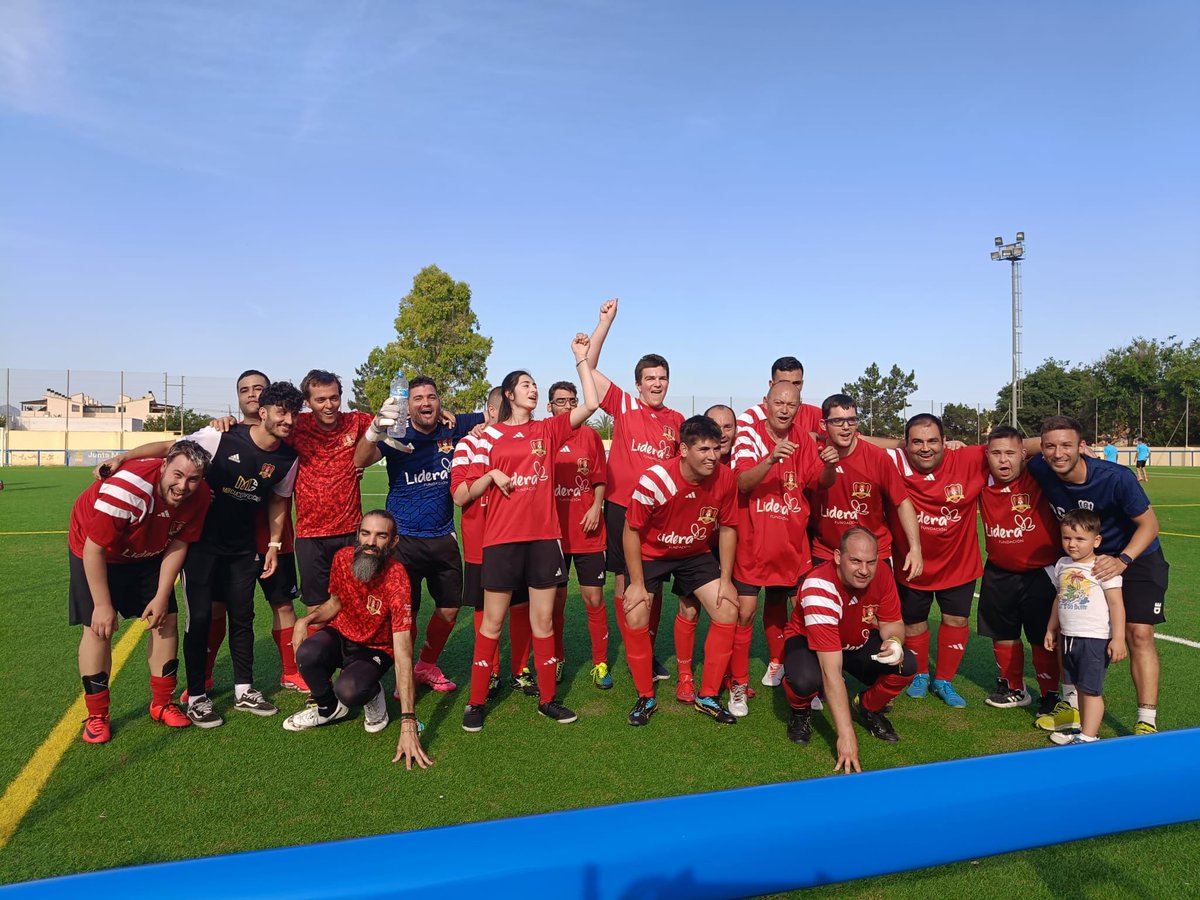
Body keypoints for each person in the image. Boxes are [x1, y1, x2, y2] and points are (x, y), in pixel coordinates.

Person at [102, 381, 302, 727]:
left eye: (293, 414)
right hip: (200, 546)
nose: (288, 420)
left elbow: (277, 501)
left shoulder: (288, 457)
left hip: (243, 549)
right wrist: (124, 456)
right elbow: (171, 448)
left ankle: (244, 690)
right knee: (200, 620)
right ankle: (196, 696)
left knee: (243, 617)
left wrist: (272, 545)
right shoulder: (222, 436)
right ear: (264, 412)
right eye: (282, 412)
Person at [460, 334, 600, 731]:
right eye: (526, 384)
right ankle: (475, 702)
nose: (534, 389)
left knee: (544, 623)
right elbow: (465, 491)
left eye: (535, 384)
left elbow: (590, 404)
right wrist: (488, 473)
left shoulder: (548, 429)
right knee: (492, 623)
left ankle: (548, 699)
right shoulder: (485, 436)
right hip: (501, 540)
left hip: (543, 539)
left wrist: (580, 359)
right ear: (509, 393)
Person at [1029, 416, 1167, 735]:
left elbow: (1150, 525)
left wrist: (1122, 560)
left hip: (1135, 555)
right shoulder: (1041, 467)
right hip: (1082, 557)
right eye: (1050, 446)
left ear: (1082, 447)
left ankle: (1146, 720)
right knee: (1069, 621)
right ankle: (1070, 707)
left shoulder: (1116, 477)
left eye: (1067, 445)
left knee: (1138, 633)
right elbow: (1020, 447)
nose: (1057, 453)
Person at [71, 442, 213, 743]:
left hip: (148, 549)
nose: (183, 485)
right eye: (177, 475)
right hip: (97, 551)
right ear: (163, 466)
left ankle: (162, 703)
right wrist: (102, 604)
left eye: (193, 479)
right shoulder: (128, 489)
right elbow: (94, 549)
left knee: (166, 619)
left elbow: (180, 543)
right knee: (99, 628)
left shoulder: (200, 495)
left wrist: (162, 595)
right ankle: (97, 715)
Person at [355, 376, 485, 694]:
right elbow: (359, 460)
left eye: (432, 397)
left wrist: (480, 424)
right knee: (406, 613)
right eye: (417, 398)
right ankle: (403, 673)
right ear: (407, 405)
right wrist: (374, 429)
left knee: (450, 608)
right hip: (404, 540)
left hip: (443, 536)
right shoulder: (397, 433)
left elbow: (497, 411)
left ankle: (425, 665)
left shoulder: (452, 427)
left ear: (440, 401)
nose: (425, 403)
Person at [190, 369, 307, 702]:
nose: (252, 394)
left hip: (274, 540)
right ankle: (206, 676)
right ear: (240, 398)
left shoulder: (289, 439)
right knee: (216, 608)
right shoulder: (223, 432)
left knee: (282, 603)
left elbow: (281, 496)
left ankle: (291, 672)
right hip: (224, 540)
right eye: (245, 390)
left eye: (259, 388)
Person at [283, 511, 431, 769]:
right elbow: (335, 603)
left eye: (381, 535)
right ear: (358, 535)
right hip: (342, 633)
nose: (371, 542)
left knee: (350, 691)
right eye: (366, 533)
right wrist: (304, 621)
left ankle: (373, 692)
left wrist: (408, 722)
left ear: (393, 542)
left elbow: (403, 653)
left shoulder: (397, 579)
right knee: (307, 653)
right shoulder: (342, 559)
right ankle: (329, 709)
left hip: (375, 648)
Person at [586, 298, 684, 681]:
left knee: (653, 583)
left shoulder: (677, 421)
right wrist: (604, 323)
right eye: (650, 379)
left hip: (660, 514)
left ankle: (646, 648)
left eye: (662, 378)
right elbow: (589, 368)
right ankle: (632, 649)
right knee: (626, 580)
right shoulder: (624, 406)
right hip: (622, 508)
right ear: (638, 384)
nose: (657, 384)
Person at [727, 381, 837, 716]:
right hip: (752, 543)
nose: (785, 409)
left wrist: (831, 464)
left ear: (798, 407)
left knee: (795, 613)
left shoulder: (805, 438)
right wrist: (771, 459)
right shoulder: (749, 435)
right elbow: (742, 483)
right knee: (744, 613)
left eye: (792, 404)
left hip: (791, 544)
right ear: (766, 402)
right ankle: (738, 685)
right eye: (779, 402)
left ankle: (789, 671)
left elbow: (821, 483)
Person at [623, 416, 739, 726]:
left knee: (727, 608)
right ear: (683, 449)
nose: (712, 456)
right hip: (651, 553)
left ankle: (708, 696)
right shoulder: (656, 480)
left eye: (716, 448)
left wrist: (725, 580)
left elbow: (728, 528)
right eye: (703, 449)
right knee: (636, 612)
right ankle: (646, 696)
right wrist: (635, 583)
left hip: (694, 553)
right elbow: (631, 530)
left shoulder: (725, 478)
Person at [781, 528, 917, 771]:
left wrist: (894, 641)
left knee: (906, 664)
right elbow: (831, 672)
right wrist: (846, 735)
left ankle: (867, 706)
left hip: (854, 641)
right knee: (805, 681)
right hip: (808, 643)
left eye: (870, 562)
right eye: (855, 561)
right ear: (836, 557)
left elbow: (892, 622)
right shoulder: (819, 586)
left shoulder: (882, 572)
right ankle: (800, 712)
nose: (864, 570)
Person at [884, 414, 987, 708]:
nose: (925, 448)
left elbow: (1013, 445)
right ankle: (921, 674)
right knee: (914, 622)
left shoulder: (965, 458)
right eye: (917, 441)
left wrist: (1067, 444)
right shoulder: (896, 462)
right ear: (905, 444)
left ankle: (944, 680)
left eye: (932, 441)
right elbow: (858, 441)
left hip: (959, 564)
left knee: (956, 619)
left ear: (945, 442)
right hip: (912, 565)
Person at [452, 387, 534, 698]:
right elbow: (460, 494)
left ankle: (520, 669)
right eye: (502, 413)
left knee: (522, 602)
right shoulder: (469, 443)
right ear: (489, 411)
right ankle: (492, 670)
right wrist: (490, 474)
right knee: (484, 606)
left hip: (518, 536)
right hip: (481, 538)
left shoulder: (524, 439)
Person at [977, 425, 1063, 714]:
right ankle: (1014, 687)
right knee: (1003, 632)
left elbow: (1050, 444)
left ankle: (1050, 693)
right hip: (999, 569)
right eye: (997, 453)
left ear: (1024, 455)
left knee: (1042, 636)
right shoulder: (980, 477)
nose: (1003, 460)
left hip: (1041, 571)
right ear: (986, 455)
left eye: (1011, 453)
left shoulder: (1038, 473)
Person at [547, 381, 612, 690]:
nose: (569, 406)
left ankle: (600, 663)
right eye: (561, 401)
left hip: (588, 532)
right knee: (555, 602)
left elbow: (600, 478)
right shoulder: (544, 435)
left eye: (573, 400)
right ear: (550, 407)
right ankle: (556, 658)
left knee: (594, 598)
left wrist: (597, 506)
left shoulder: (591, 437)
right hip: (553, 534)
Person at [1043, 509, 1127, 745]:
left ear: (1096, 540)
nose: (1072, 544)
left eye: (1080, 539)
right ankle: (1082, 728)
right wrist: (1051, 628)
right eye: (1067, 538)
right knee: (1079, 687)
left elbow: (1116, 605)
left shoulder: (1103, 567)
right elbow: (1060, 597)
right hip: (1069, 637)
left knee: (1091, 690)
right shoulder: (1062, 564)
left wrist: (1118, 638)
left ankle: (1089, 736)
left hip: (1094, 638)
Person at [736, 356, 825, 437]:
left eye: (796, 383)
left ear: (802, 384)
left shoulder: (818, 415)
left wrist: (819, 441)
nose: (790, 388)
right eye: (783, 383)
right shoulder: (751, 417)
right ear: (771, 384)